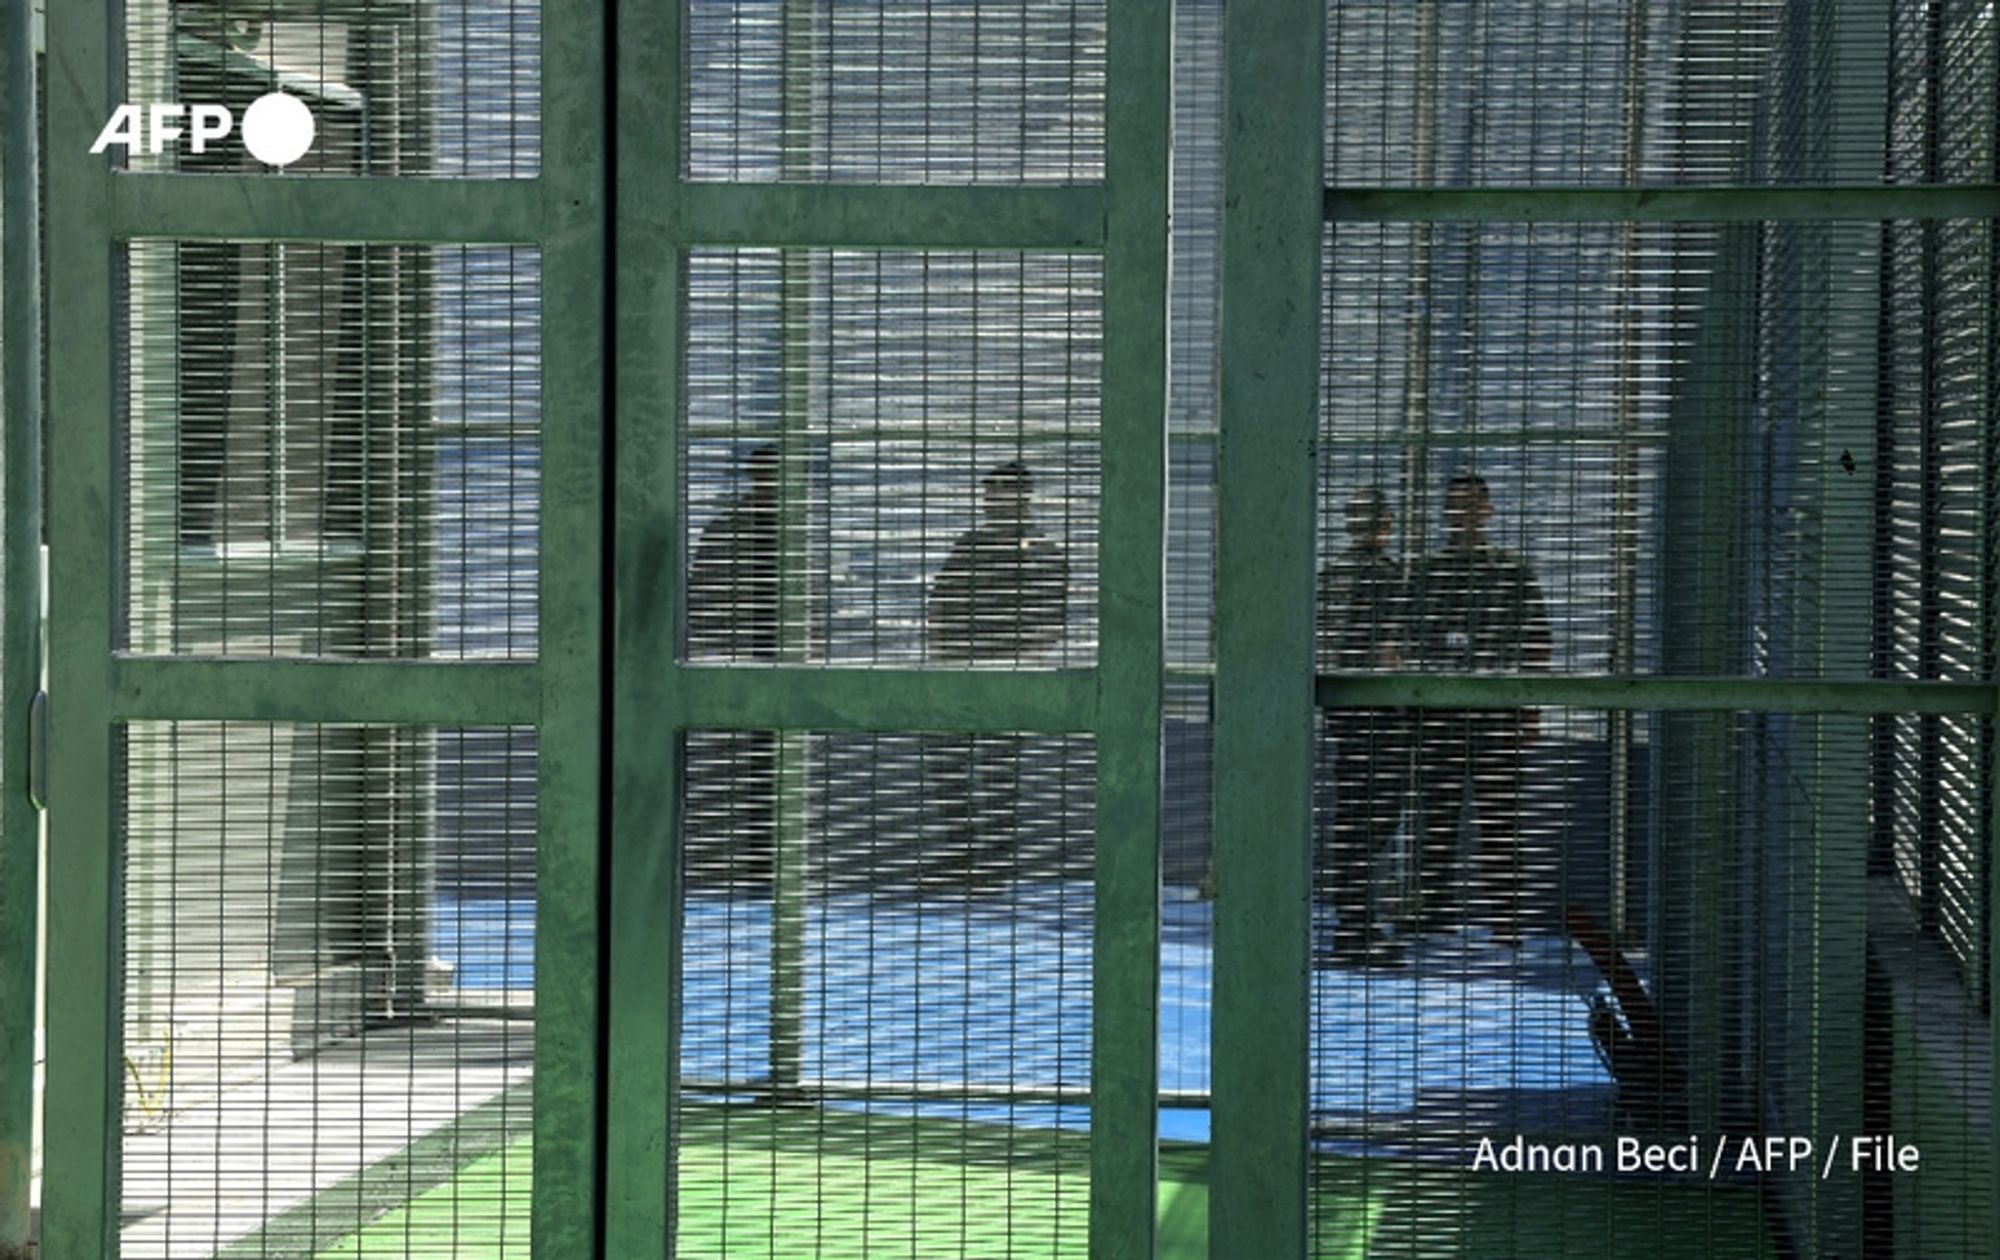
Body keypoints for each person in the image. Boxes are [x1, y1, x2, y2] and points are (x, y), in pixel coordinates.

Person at [1407, 472, 1552, 943]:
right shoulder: (1428, 574)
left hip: (1497, 718)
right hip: (1441, 718)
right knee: (1437, 820)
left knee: (1500, 822)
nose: (1462, 513)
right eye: (1454, 505)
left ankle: (1506, 923)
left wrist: (1530, 710)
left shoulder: (1512, 573)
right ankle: (1432, 913)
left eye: (1471, 504)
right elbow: (1408, 642)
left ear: (1487, 511)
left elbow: (1536, 643)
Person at [924, 461, 1071, 889]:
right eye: (987, 493)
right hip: (959, 674)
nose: (988, 501)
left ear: (1021, 497)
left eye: (997, 492)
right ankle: (963, 851)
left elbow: (1051, 625)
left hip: (1007, 677)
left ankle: (996, 864)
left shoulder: (1042, 552)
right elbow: (939, 603)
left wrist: (1014, 662)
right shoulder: (971, 545)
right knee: (948, 760)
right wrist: (943, 659)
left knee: (999, 768)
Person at [1316, 487, 1412, 965]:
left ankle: (1351, 921)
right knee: (1374, 823)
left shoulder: (1331, 576)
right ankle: (1360, 926)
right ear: (1386, 523)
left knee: (1352, 821)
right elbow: (1390, 648)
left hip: (1345, 714)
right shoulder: (1390, 578)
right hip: (1381, 715)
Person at [683, 444, 782, 889]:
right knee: (731, 766)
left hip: (783, 669)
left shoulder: (796, 532)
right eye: (763, 475)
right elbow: (699, 594)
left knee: (773, 767)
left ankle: (763, 864)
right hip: (736, 663)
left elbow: (813, 597)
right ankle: (730, 862)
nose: (769, 484)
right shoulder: (725, 531)